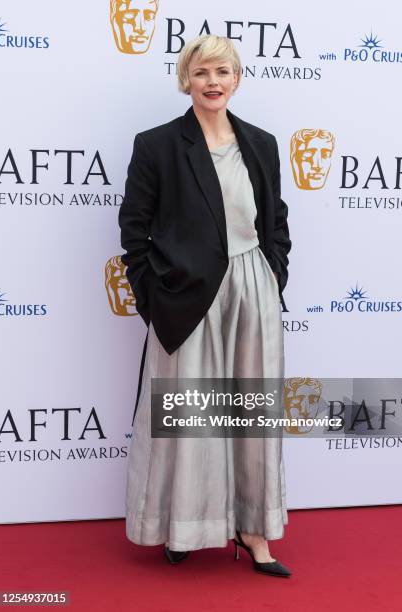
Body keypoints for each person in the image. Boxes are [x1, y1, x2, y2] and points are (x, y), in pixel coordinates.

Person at [118, 34, 292, 577]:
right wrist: (155, 295)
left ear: (237, 78)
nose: (212, 82)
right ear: (185, 80)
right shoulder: (158, 144)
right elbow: (134, 230)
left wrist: (272, 273)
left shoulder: (262, 143)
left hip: (252, 291)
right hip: (185, 296)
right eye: (201, 73)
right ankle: (184, 527)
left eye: (222, 71)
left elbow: (275, 222)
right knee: (188, 416)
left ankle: (254, 531)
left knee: (253, 415)